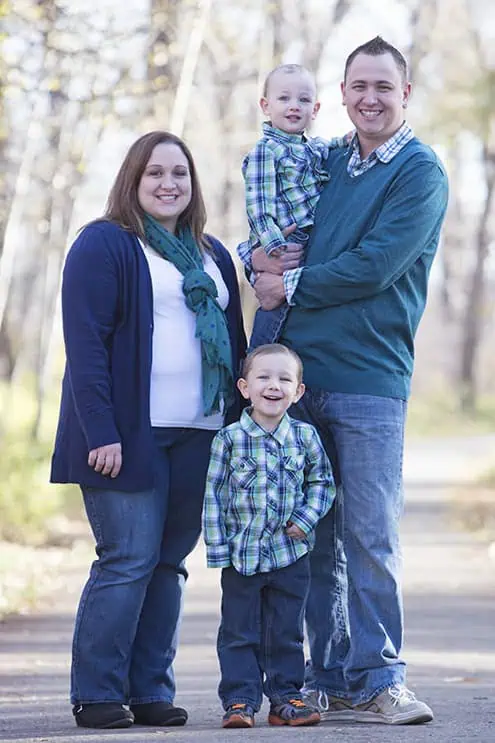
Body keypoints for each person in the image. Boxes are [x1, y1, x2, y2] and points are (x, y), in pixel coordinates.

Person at [250, 37, 449, 725]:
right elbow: (274, 214)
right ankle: (329, 676)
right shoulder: (325, 159)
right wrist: (257, 261)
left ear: (404, 95)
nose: (369, 97)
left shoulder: (419, 173)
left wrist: (288, 282)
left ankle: (382, 676)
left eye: (382, 87)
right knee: (314, 537)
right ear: (342, 92)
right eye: (357, 85)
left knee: (369, 534)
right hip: (301, 379)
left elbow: (374, 265)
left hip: (369, 380)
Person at [50, 131, 246, 730]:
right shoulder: (105, 244)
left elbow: (233, 346)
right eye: (155, 173)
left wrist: (239, 430)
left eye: (180, 174)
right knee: (128, 558)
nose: (169, 184)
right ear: (132, 180)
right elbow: (86, 348)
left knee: (169, 562)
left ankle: (150, 689)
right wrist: (100, 431)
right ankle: (98, 693)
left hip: (201, 431)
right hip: (127, 435)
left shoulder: (210, 252)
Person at [202, 343, 335, 729]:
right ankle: (240, 700)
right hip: (242, 556)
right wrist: (218, 550)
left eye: (284, 379)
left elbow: (322, 483)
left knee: (286, 631)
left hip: (290, 555)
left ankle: (286, 698)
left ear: (298, 392)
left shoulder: (306, 438)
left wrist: (306, 519)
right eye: (263, 377)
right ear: (245, 388)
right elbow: (214, 495)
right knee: (238, 632)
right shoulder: (228, 440)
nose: (273, 386)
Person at [237, 64, 347, 348]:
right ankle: (256, 360)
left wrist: (346, 141)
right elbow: (259, 207)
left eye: (304, 99)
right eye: (284, 98)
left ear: (316, 109)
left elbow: (331, 145)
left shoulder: (310, 148)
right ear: (266, 106)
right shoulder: (266, 151)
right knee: (273, 311)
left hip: (312, 238)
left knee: (298, 312)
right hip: (285, 238)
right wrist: (275, 247)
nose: (294, 106)